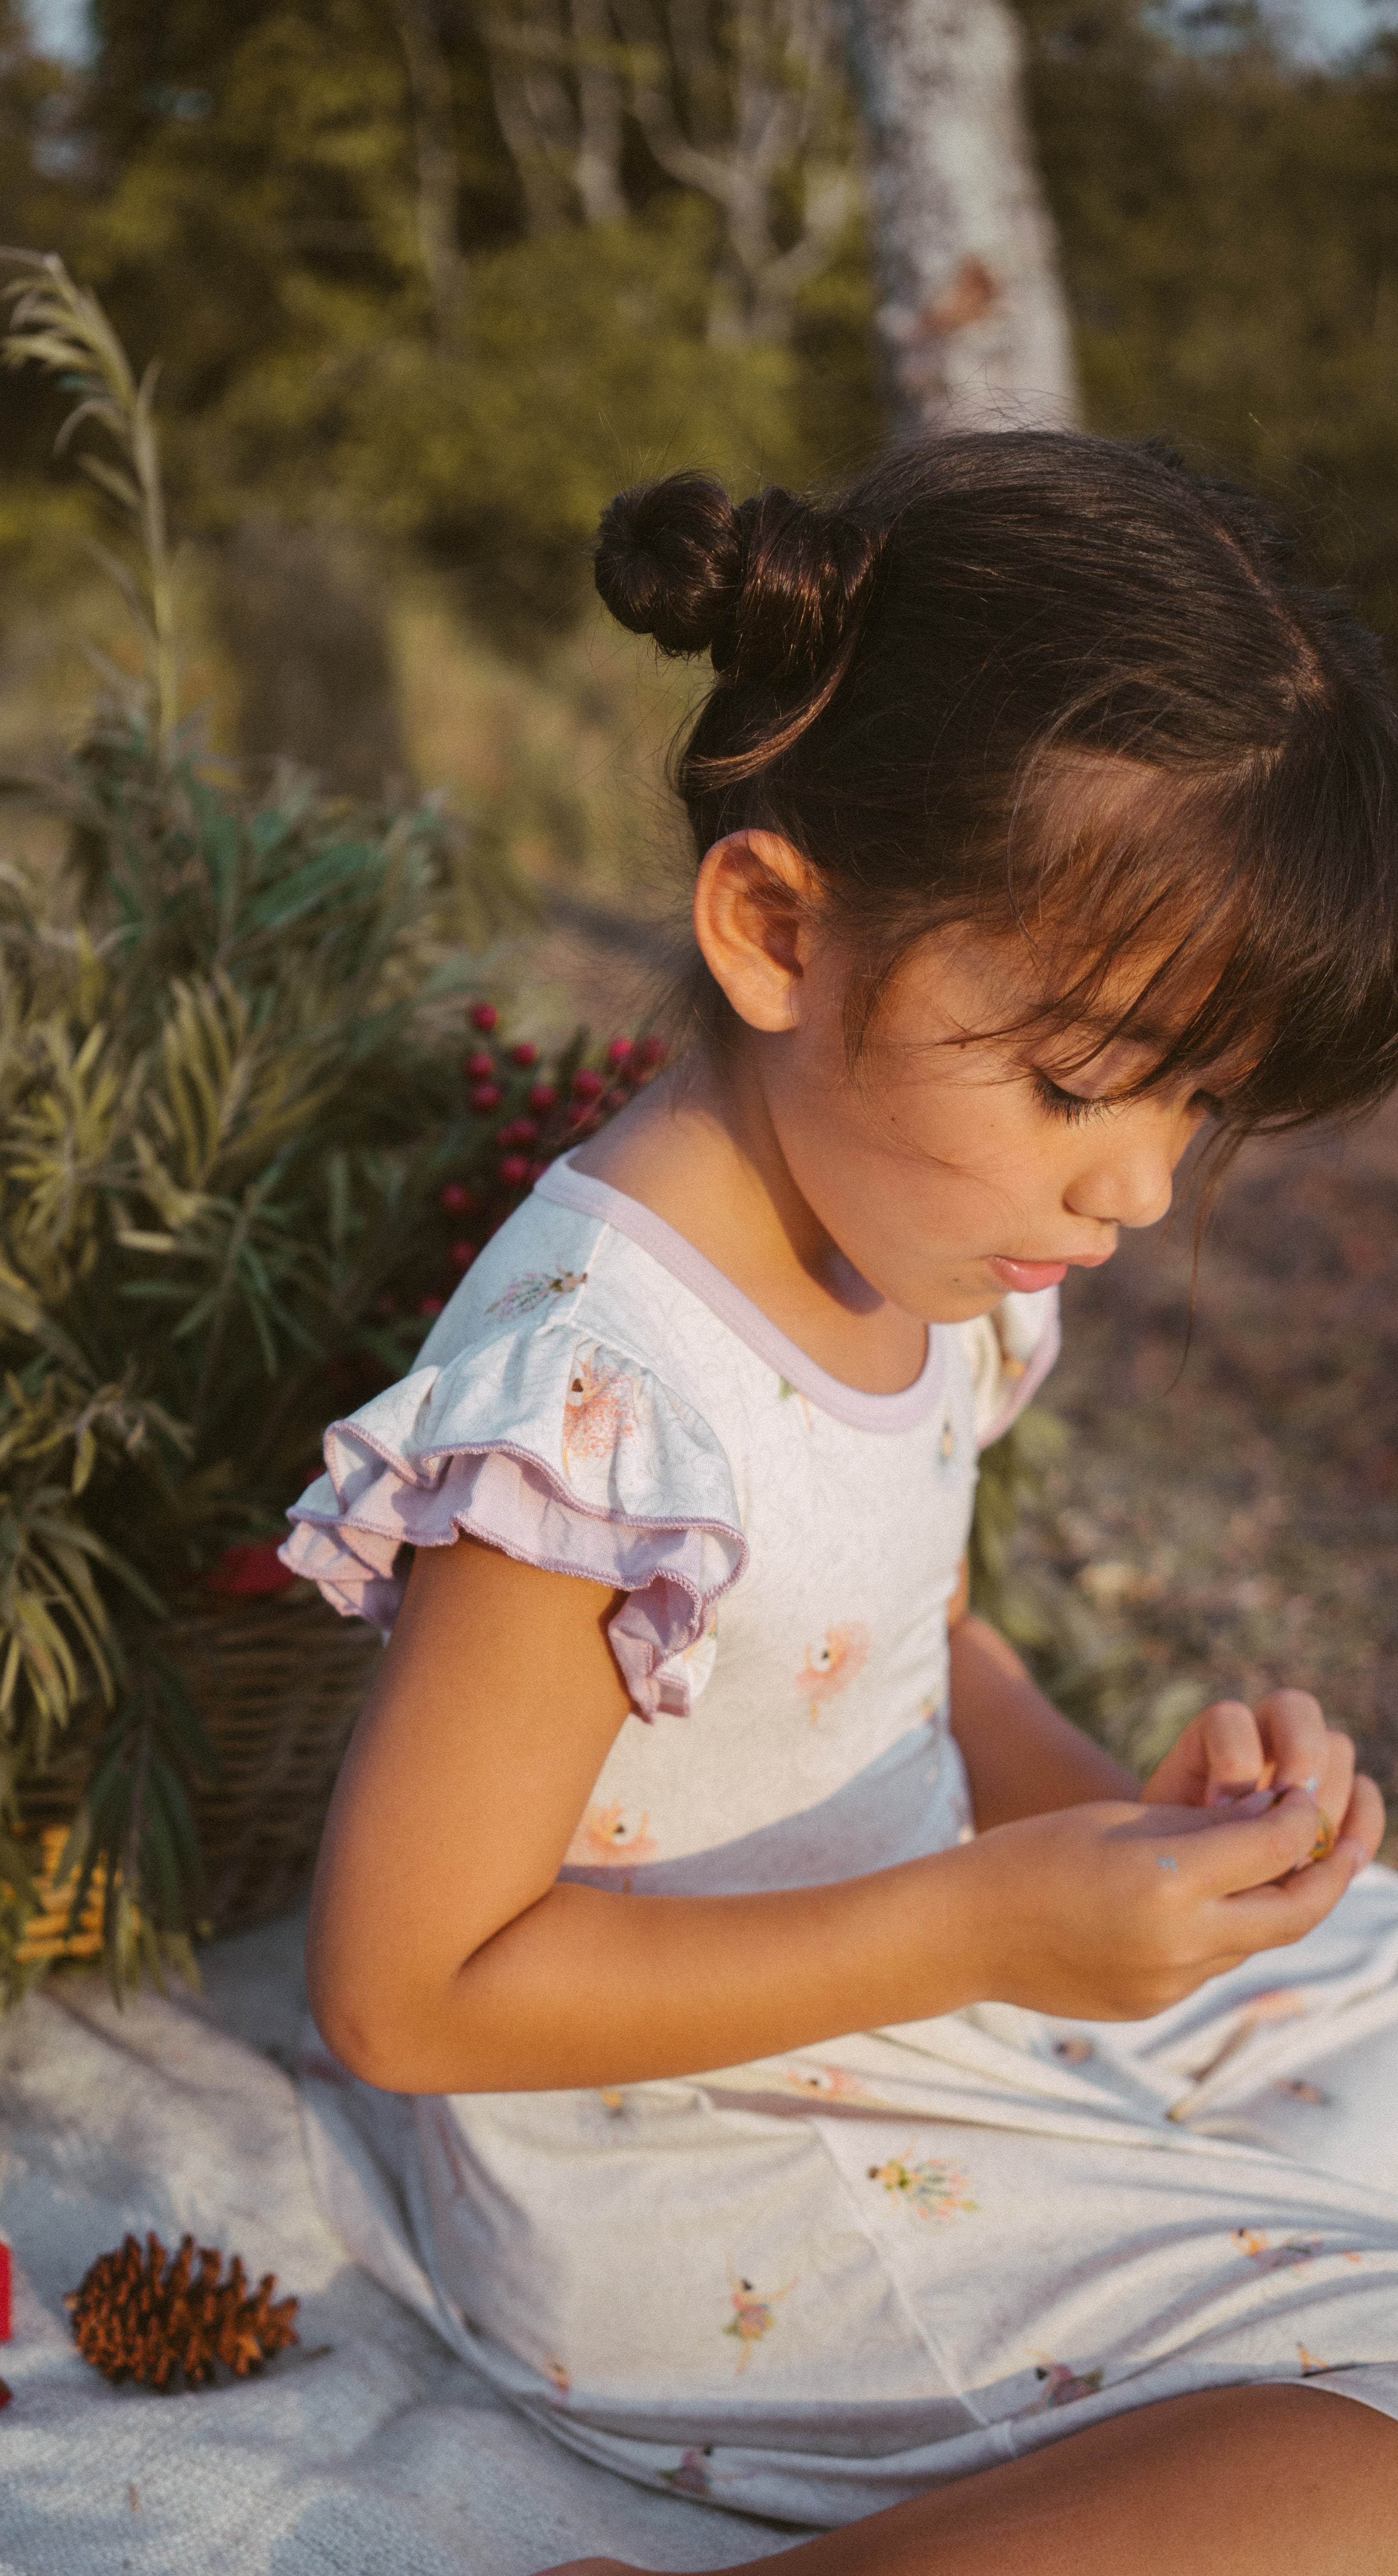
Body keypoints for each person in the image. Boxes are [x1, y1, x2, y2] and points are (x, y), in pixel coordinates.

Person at [280, 432, 1398, 2574]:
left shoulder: (920, 1233)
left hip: (909, 1994)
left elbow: (908, 1633)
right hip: (683, 2160)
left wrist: (1131, 1839)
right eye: (1077, 1082)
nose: (1140, 1185)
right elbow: (401, 1991)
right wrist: (992, 1923)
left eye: (1199, 1099)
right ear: (779, 925)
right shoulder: (604, 1407)